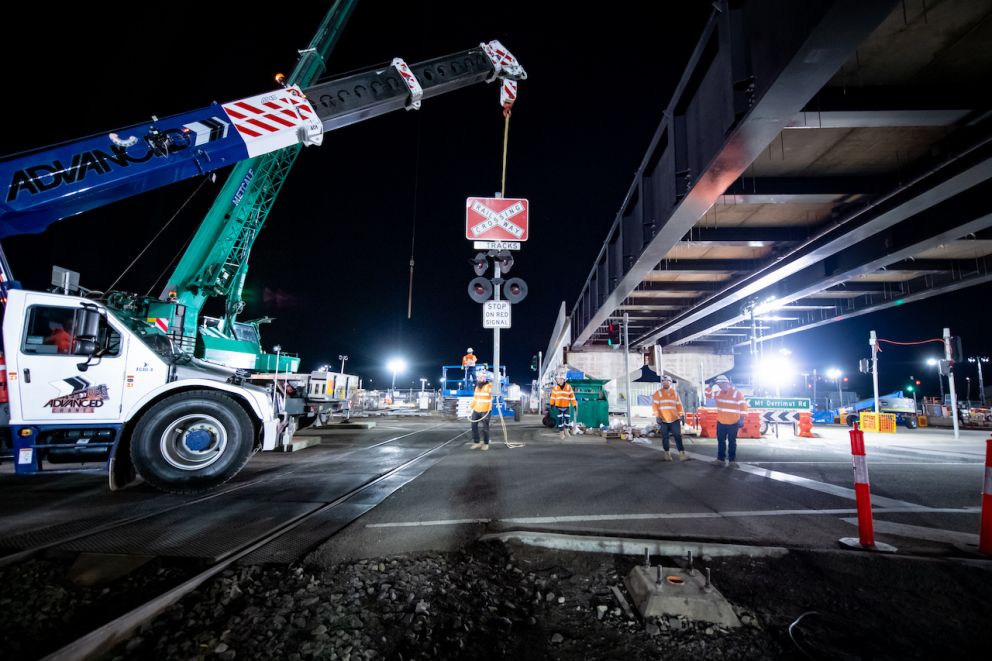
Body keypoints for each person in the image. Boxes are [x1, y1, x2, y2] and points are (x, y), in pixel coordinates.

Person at [712, 374, 747, 468]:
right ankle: (720, 460)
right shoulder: (718, 393)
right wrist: (709, 386)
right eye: (718, 385)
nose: (719, 386)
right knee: (721, 441)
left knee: (732, 442)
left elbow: (743, 407)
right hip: (721, 422)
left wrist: (742, 419)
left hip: (733, 422)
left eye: (720, 384)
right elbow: (707, 395)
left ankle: (732, 461)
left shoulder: (737, 393)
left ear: (726, 383)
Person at [652, 375, 687, 461]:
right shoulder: (658, 393)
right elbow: (654, 405)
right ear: (662, 383)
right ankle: (667, 453)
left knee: (677, 436)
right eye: (663, 381)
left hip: (674, 419)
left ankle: (682, 453)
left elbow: (679, 405)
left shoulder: (675, 393)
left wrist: (682, 415)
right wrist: (657, 416)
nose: (665, 382)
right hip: (663, 420)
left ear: (670, 382)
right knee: (665, 437)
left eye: (667, 381)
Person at [468, 369, 493, 450]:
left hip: (485, 410)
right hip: (476, 410)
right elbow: (475, 399)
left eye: (482, 377)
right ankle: (477, 442)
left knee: (485, 428)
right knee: (473, 426)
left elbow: (493, 395)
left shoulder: (489, 386)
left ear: (485, 378)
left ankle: (486, 443)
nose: (480, 378)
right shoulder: (477, 387)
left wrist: (489, 409)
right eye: (479, 377)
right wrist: (470, 407)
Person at [549, 372, 577, 439]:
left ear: (564, 380)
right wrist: (552, 404)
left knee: (567, 419)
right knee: (560, 420)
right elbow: (553, 397)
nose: (559, 380)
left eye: (561, 379)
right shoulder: (555, 388)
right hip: (558, 407)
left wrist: (574, 404)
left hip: (566, 406)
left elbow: (572, 396)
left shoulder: (568, 387)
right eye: (559, 379)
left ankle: (566, 431)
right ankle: (561, 433)